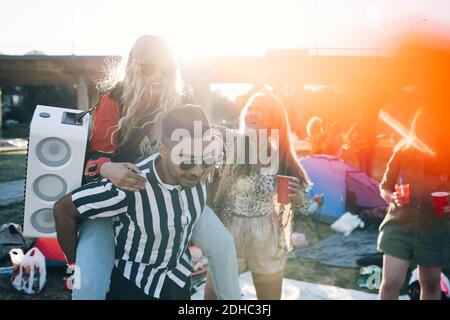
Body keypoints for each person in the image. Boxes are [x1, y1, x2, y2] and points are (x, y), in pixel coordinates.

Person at [72, 35, 240, 300]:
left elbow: (200, 137)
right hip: (118, 197)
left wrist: (214, 139)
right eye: (149, 68)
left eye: (166, 69)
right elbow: (93, 160)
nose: (159, 77)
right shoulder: (114, 99)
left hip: (171, 197)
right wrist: (109, 170)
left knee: (223, 245)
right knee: (89, 281)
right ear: (133, 66)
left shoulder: (180, 98)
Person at [54, 105, 217, 299]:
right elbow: (63, 209)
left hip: (176, 278)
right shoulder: (131, 185)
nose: (198, 171)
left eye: (205, 160)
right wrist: (74, 263)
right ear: (164, 150)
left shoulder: (200, 174)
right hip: (135, 285)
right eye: (187, 161)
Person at [207, 92, 312, 299]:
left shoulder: (281, 156)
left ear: (273, 119)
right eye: (250, 108)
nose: (251, 113)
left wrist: (298, 197)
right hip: (230, 229)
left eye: (260, 110)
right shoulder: (231, 146)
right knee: (212, 299)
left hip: (267, 234)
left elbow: (307, 208)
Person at [377, 108, 450, 300]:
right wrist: (391, 197)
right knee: (391, 282)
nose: (425, 134)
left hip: (434, 230)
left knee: (431, 284)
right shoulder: (402, 152)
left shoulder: (447, 157)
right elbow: (385, 186)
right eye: (421, 130)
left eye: (431, 130)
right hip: (399, 227)